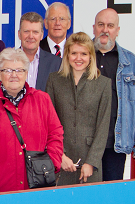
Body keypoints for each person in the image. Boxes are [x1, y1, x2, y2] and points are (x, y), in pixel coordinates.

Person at [0, 48, 63, 194]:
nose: (14, 75)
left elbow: (56, 135)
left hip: (35, 188)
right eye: (8, 70)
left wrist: (51, 165)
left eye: (19, 70)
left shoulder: (42, 100)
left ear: (26, 73)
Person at [92, 8, 135, 181]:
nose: (105, 30)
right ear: (94, 28)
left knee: (111, 198)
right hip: (85, 145)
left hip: (115, 145)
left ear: (117, 31)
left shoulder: (131, 62)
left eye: (110, 25)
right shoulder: (80, 57)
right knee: (85, 198)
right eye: (101, 25)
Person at [46, 33, 111, 185]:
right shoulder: (54, 80)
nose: (78, 58)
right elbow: (48, 122)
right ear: (67, 55)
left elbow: (103, 127)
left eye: (84, 54)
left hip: (89, 164)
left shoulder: (103, 84)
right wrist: (59, 155)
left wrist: (91, 162)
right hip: (61, 160)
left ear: (91, 56)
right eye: (74, 53)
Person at [18, 12, 61, 92]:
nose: (31, 36)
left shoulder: (56, 63)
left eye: (35, 32)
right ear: (19, 34)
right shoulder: (7, 62)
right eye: (26, 31)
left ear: (41, 35)